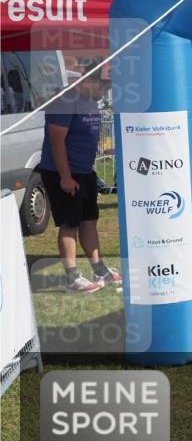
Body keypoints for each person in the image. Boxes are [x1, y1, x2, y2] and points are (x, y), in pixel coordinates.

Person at [38, 70, 121, 293]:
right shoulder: (64, 101)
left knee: (89, 220)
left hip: (84, 172)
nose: (105, 92)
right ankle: (72, 278)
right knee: (69, 224)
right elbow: (57, 142)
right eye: (104, 86)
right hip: (62, 172)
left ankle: (99, 269)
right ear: (89, 80)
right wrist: (66, 177)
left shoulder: (90, 101)